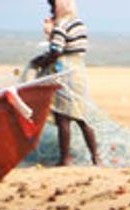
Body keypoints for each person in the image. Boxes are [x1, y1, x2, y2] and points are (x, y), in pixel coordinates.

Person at [32, 0, 99, 165]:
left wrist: (41, 61)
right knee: (82, 117)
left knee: (63, 118)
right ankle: (96, 158)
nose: (51, 10)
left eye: (52, 6)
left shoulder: (62, 25)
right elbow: (72, 47)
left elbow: (56, 51)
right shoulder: (79, 23)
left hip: (64, 72)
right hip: (78, 72)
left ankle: (64, 159)